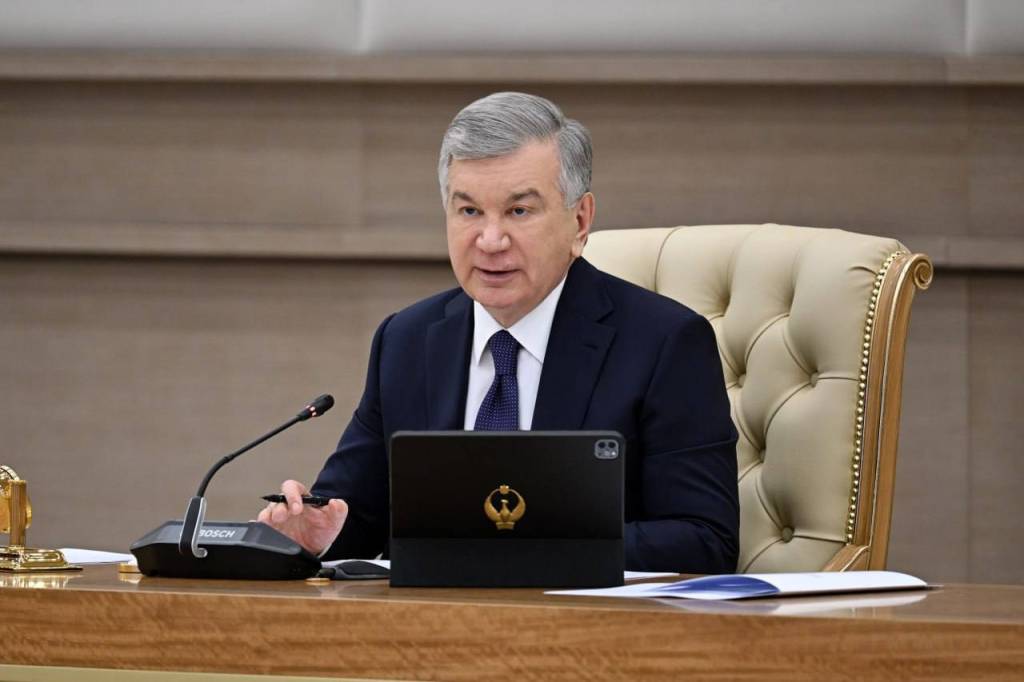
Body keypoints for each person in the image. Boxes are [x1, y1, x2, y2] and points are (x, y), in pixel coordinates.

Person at [258, 92, 739, 573]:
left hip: (582, 615)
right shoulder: (406, 341)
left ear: (580, 221)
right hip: (432, 618)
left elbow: (704, 539)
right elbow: (360, 514)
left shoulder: (665, 343)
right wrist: (321, 532)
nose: (490, 241)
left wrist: (520, 544)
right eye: (469, 212)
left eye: (519, 211)